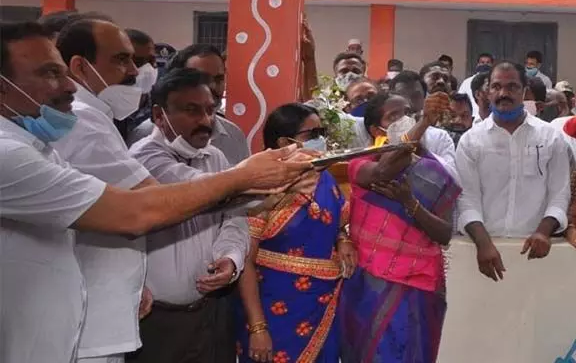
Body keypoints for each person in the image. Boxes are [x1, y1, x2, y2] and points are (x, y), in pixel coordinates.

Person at [0, 21, 313, 363]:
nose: (68, 88)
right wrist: (243, 178)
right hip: (44, 334)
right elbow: (136, 211)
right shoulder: (12, 152)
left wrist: (257, 186)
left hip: (70, 325)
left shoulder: (39, 143)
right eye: (49, 74)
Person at [128, 69, 251, 363]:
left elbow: (234, 218)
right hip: (155, 319)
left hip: (210, 312)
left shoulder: (216, 157)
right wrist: (254, 176)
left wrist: (230, 259)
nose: (206, 121)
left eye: (210, 110)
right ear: (159, 115)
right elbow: (192, 186)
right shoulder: (142, 159)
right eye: (191, 111)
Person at [54, 18, 155, 363]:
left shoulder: (98, 115)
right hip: (87, 318)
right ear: (79, 66)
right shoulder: (82, 118)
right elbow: (150, 200)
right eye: (121, 59)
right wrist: (243, 181)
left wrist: (135, 280)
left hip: (100, 308)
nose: (134, 71)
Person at [340, 92, 461, 363]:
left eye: (408, 112)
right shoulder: (360, 165)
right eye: (393, 116)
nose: (404, 119)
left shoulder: (435, 173)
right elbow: (385, 171)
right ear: (375, 130)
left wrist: (410, 202)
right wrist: (423, 123)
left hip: (419, 283)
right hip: (371, 281)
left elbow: (443, 234)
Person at [235, 103, 356, 363]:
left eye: (321, 131)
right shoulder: (262, 185)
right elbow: (244, 259)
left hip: (321, 305)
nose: (320, 139)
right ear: (284, 141)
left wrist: (342, 238)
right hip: (272, 310)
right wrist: (258, 327)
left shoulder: (325, 178)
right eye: (311, 134)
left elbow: (334, 223)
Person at [456, 62, 572, 281]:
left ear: (524, 90)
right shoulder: (471, 140)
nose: (503, 93)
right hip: (481, 252)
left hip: (537, 250)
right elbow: (466, 199)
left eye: (512, 87)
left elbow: (560, 193)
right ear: (486, 91)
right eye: (496, 87)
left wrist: (543, 231)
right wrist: (483, 244)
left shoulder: (549, 137)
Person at [131, 44, 251, 169]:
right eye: (200, 79)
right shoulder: (144, 135)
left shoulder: (233, 136)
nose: (211, 87)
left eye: (219, 79)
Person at [120, 28, 158, 139]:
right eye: (138, 62)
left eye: (151, 61)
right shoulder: (107, 107)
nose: (147, 69)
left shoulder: (161, 108)